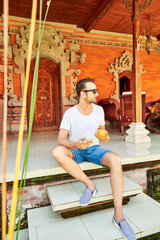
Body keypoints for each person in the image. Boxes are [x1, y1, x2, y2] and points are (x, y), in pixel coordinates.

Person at [52, 78, 136, 240]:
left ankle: (118, 215)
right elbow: (61, 139)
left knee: (116, 160)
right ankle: (90, 185)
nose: (97, 94)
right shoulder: (70, 113)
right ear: (83, 94)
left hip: (94, 149)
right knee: (57, 152)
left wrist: (104, 138)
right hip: (76, 149)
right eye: (94, 91)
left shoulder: (98, 110)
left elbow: (101, 132)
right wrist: (76, 144)